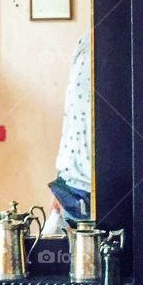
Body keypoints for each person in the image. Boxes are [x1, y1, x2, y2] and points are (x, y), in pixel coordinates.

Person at [47, 31, 92, 227]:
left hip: (103, 190)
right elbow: (72, 117)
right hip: (71, 189)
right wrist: (60, 182)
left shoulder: (129, 38)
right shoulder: (85, 40)